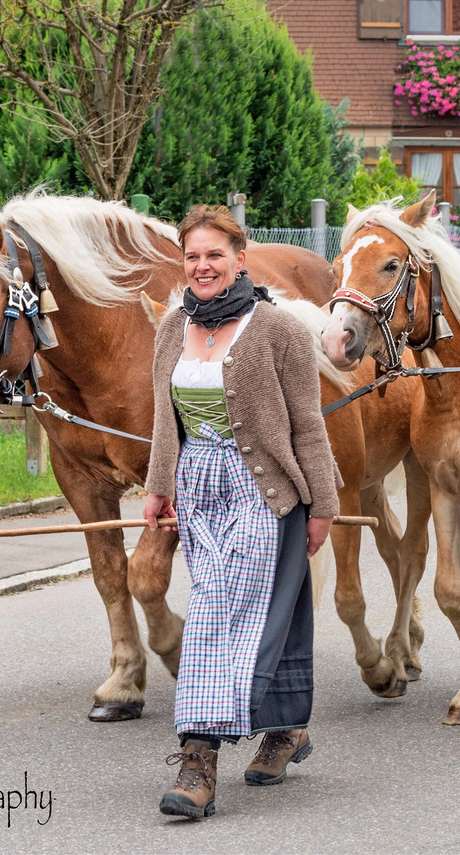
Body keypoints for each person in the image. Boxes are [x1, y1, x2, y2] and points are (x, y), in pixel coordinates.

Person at [143, 205, 338, 820]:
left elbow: (307, 422)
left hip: (264, 487)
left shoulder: (277, 329)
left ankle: (198, 758)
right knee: (224, 603)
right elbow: (163, 418)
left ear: (240, 259)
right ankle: (287, 725)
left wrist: (323, 504)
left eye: (215, 255)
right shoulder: (173, 328)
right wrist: (157, 487)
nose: (203, 266)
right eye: (193, 256)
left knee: (224, 615)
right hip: (197, 484)